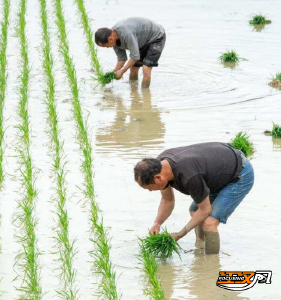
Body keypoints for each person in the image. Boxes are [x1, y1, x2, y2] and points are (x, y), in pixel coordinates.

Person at [134, 142, 255, 254]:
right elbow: (167, 200)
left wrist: (180, 234)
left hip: (239, 174)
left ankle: (211, 265)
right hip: (217, 173)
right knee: (194, 211)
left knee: (209, 223)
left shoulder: (189, 176)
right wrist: (157, 223)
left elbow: (205, 209)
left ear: (157, 178)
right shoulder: (160, 166)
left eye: (149, 188)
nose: (150, 191)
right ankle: (200, 248)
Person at [95, 17, 166, 88]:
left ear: (110, 39)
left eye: (106, 46)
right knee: (133, 68)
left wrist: (122, 71)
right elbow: (121, 59)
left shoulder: (126, 34)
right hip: (142, 40)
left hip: (156, 36)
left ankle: (145, 94)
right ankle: (134, 94)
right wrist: (112, 75)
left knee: (146, 68)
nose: (107, 47)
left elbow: (135, 56)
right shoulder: (113, 39)